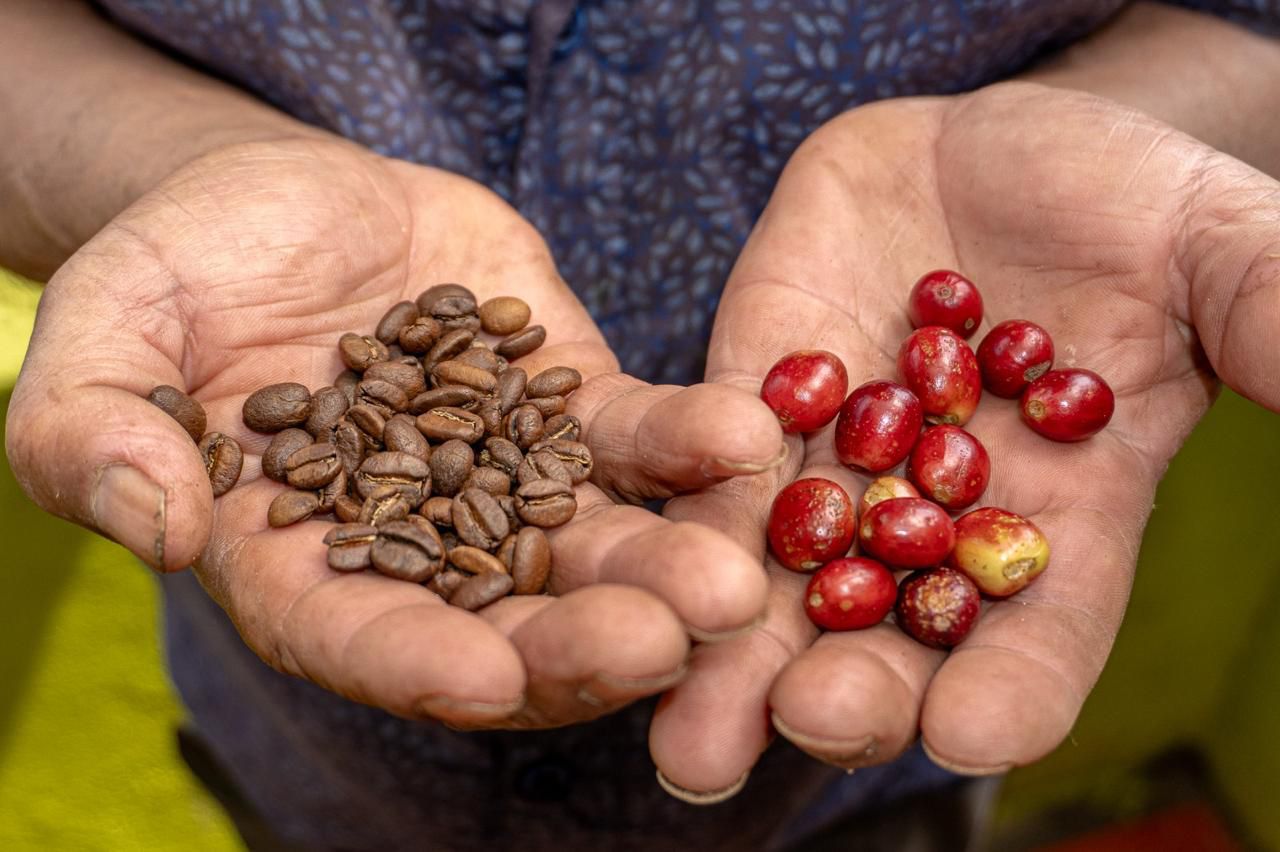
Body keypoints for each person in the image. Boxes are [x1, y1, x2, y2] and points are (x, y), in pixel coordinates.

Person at [4, 0, 1280, 848]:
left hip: (838, 795)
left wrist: (1131, 135)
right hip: (309, 759)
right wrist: (166, 162)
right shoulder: (387, 442)